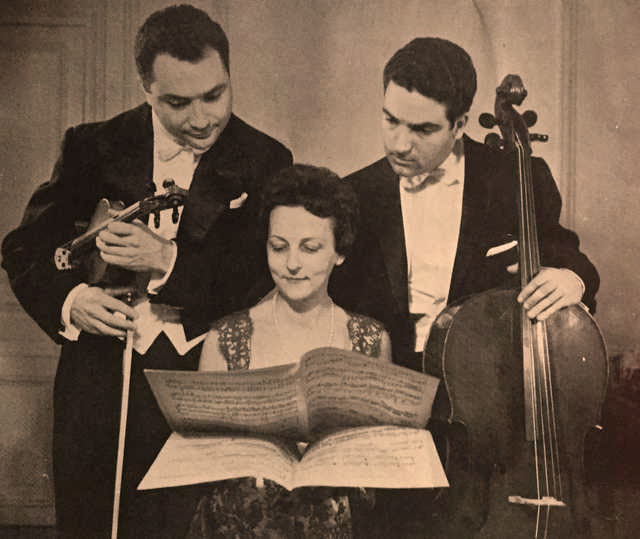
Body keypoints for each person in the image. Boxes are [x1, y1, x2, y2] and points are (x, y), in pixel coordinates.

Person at [1, 5, 292, 538]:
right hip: (96, 383)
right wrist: (72, 302)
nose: (201, 118)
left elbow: (259, 279)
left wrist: (167, 260)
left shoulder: (266, 159)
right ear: (146, 89)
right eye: (177, 103)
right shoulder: (93, 145)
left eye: (215, 95)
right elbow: (24, 248)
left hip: (205, 381)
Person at [329, 37, 600, 536]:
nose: (399, 143)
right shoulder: (354, 193)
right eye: (391, 120)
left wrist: (571, 278)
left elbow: (568, 255)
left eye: (422, 129)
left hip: (485, 405)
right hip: (389, 400)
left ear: (459, 125)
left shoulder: (516, 176)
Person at [188, 164, 392, 538]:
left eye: (310, 248)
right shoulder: (225, 338)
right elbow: (202, 461)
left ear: (340, 252)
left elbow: (376, 469)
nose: (292, 264)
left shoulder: (370, 339)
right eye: (278, 247)